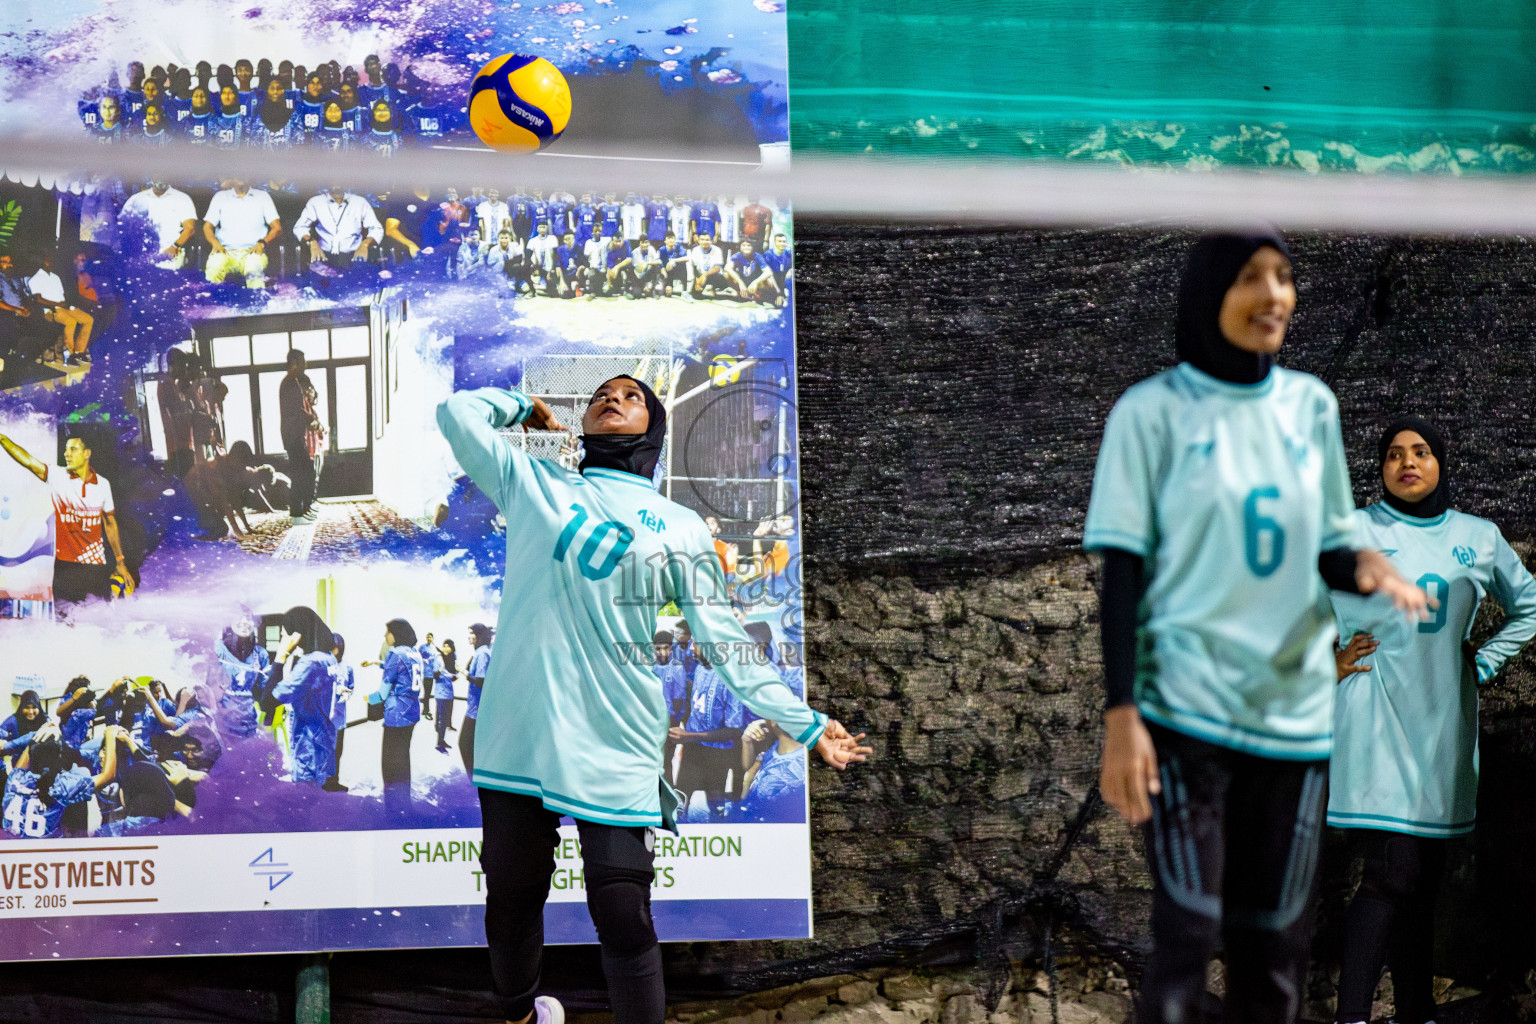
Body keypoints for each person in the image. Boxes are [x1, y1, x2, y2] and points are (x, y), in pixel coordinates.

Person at [436, 373, 869, 1024]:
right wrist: (524, 406)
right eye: (603, 396)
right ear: (582, 426)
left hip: (616, 737)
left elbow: (724, 639)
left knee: (622, 911)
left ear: (653, 431)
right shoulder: (532, 482)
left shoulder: (679, 526)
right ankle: (521, 1016)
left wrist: (805, 724)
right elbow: (455, 413)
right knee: (512, 898)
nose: (613, 399)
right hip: (520, 731)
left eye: (633, 396)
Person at [1085, 232, 1429, 1024]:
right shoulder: (1151, 413)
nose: (1275, 295)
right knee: (1188, 934)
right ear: (1210, 292)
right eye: (1251, 278)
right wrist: (1122, 715)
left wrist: (1367, 569)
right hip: (1186, 716)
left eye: (1285, 277)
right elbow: (1123, 576)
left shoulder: (1311, 406)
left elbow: (1329, 546)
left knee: (1274, 948)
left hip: (1294, 724)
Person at [1330, 416, 1536, 1024]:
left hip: (1443, 721)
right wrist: (1327, 661)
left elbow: (1529, 605)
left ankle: (1414, 1012)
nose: (1408, 462)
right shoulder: (1353, 530)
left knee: (1422, 883)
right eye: (1394, 454)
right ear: (1381, 469)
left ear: (1441, 462)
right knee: (1390, 874)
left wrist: (1485, 661)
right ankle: (1352, 1019)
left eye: (1420, 451)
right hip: (1375, 716)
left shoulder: (1479, 536)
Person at [0, 430, 134, 605]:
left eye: (72, 449)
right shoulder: (57, 476)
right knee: (66, 623)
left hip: (95, 567)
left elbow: (110, 524)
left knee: (95, 618)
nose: (66, 454)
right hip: (65, 567)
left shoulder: (102, 484)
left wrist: (120, 562)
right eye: (65, 449)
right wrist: (2, 438)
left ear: (87, 454)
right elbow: (28, 461)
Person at [3, 724, 121, 838]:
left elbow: (25, 760)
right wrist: (110, 735)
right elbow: (108, 775)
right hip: (42, 854)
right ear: (58, 759)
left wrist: (39, 735)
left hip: (12, 851)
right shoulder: (62, 786)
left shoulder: (14, 778)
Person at [268, 607, 340, 787]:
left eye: (285, 634)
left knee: (304, 791)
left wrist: (281, 656)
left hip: (307, 737)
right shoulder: (328, 657)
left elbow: (270, 700)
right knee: (318, 784)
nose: (283, 638)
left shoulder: (309, 662)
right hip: (322, 732)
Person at [365, 618, 423, 819]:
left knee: (389, 763)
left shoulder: (395, 653)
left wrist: (366, 698)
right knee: (403, 758)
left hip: (396, 714)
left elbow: (382, 692)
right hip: (412, 711)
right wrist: (375, 662)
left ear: (396, 633)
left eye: (387, 632)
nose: (385, 636)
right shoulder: (414, 653)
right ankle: (404, 803)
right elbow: (400, 670)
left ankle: (392, 810)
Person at [203, 180, 283, 288]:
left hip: (252, 251)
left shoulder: (262, 196)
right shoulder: (220, 197)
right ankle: (210, 302)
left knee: (253, 269)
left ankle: (258, 302)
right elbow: (207, 226)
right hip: (225, 251)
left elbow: (277, 228)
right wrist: (214, 242)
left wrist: (262, 243)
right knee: (214, 266)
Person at [295, 186, 383, 274]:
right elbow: (299, 227)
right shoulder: (316, 202)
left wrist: (365, 244)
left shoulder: (359, 202)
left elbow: (377, 229)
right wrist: (312, 242)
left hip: (354, 258)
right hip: (324, 258)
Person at [27, 253, 95, 366]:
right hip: (51, 310)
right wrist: (58, 304)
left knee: (88, 319)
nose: (52, 262)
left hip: (64, 307)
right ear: (43, 262)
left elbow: (62, 295)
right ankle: (70, 355)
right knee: (70, 322)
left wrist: (67, 305)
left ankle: (79, 352)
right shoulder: (34, 279)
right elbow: (38, 300)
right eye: (49, 260)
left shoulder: (55, 277)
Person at [278, 349, 322, 524]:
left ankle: (303, 509)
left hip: (296, 434)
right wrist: (312, 419)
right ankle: (296, 514)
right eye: (303, 361)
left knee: (306, 472)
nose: (306, 365)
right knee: (301, 473)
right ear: (294, 363)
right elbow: (297, 410)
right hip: (292, 434)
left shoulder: (294, 382)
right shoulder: (289, 383)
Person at [119, 180, 197, 269]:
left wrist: (173, 247)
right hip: (140, 258)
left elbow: (190, 229)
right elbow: (122, 226)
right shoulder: (136, 199)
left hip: (169, 259)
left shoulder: (182, 198)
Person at [217, 611, 269, 739]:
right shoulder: (218, 648)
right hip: (221, 726)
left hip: (249, 725)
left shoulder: (260, 654)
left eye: (248, 618)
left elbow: (264, 690)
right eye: (239, 617)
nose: (245, 621)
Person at [325, 633, 354, 792]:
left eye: (334, 648)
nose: (331, 651)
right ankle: (321, 780)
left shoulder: (347, 667)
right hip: (322, 718)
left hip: (339, 718)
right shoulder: (323, 664)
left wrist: (343, 693)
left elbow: (351, 690)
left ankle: (333, 781)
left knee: (337, 752)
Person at [461, 623, 492, 772]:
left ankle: (473, 778)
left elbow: (480, 681)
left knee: (464, 744)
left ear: (479, 635)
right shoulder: (481, 652)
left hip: (476, 709)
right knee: (472, 745)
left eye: (472, 633)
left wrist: (464, 673)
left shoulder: (482, 653)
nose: (469, 636)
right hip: (476, 706)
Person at [432, 638, 457, 753]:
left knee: (445, 718)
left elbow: (453, 676)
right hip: (441, 692)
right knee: (442, 718)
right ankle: (439, 743)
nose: (446, 648)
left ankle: (442, 739)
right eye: (444, 645)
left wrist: (454, 676)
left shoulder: (451, 659)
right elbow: (436, 675)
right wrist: (443, 671)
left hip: (449, 692)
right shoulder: (439, 658)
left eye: (448, 646)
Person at [687, 233, 728, 299]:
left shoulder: (717, 250)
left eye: (707, 240)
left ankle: (714, 288)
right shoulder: (695, 250)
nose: (705, 242)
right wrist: (697, 280)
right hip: (700, 275)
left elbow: (718, 268)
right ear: (699, 241)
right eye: (702, 240)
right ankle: (703, 288)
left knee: (724, 278)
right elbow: (694, 267)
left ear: (711, 241)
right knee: (696, 295)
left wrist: (705, 275)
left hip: (713, 275)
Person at [758, 233, 793, 308]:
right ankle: (770, 297)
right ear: (774, 242)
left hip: (783, 280)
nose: (782, 244)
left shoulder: (788, 254)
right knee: (767, 280)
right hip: (772, 280)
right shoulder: (768, 255)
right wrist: (779, 293)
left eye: (784, 241)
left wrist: (791, 270)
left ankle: (787, 297)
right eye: (779, 241)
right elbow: (768, 275)